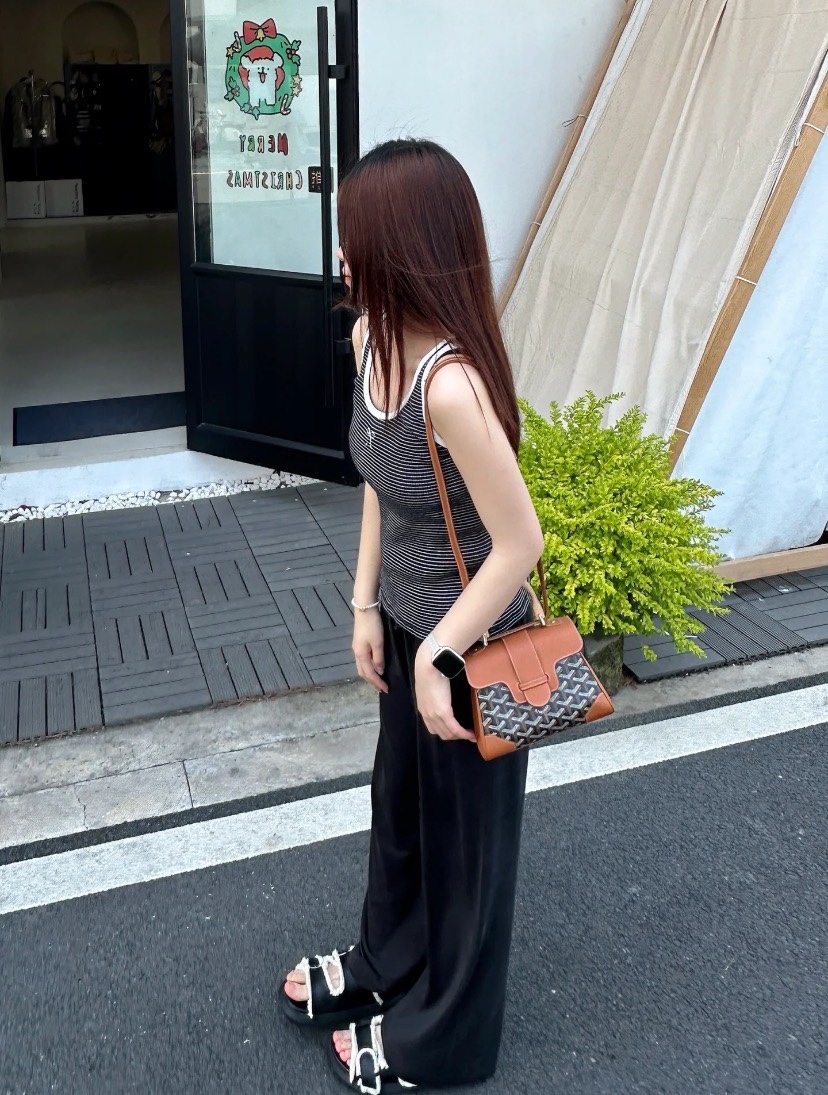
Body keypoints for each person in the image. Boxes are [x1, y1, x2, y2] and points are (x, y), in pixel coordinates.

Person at [281, 138, 544, 1092]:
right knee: (397, 814)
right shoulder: (369, 342)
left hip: (479, 648)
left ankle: (443, 1041)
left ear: (399, 248)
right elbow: (381, 487)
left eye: (352, 238)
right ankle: (385, 965)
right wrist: (365, 604)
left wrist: (436, 653)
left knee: (469, 858)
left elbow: (521, 542)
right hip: (407, 628)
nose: (340, 256)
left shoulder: (452, 385)